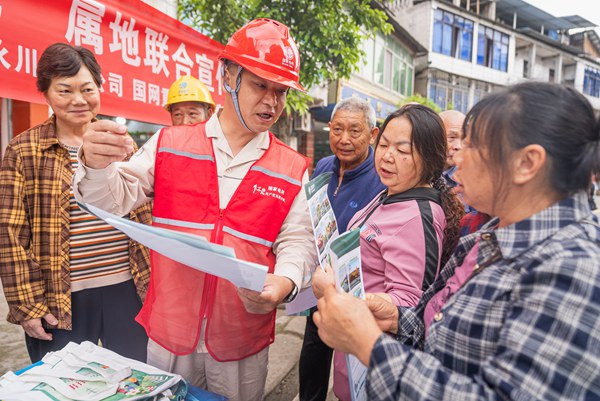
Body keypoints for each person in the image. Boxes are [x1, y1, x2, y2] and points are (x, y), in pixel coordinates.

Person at [73, 19, 315, 401]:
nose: (272, 102)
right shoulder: (170, 142)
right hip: (171, 329)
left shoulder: (291, 167)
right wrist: (96, 164)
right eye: (260, 85)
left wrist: (283, 283)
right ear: (228, 75)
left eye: (281, 91)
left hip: (241, 335)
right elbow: (111, 199)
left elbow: (299, 240)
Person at [312, 82, 600, 400]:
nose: (457, 156)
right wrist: (398, 319)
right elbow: (447, 327)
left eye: (472, 145)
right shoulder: (492, 236)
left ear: (527, 163)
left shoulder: (573, 269)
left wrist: (369, 344)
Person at [0, 43, 152, 363]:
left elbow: (139, 210)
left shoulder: (120, 141)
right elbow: (10, 234)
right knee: (64, 384)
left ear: (99, 88)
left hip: (127, 289)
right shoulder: (23, 149)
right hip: (60, 299)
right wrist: (27, 305)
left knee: (131, 380)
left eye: (87, 88)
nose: (79, 100)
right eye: (65, 90)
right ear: (45, 92)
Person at [314, 104, 464, 401]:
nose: (387, 156)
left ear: (430, 156)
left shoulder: (418, 216)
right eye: (383, 144)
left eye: (403, 150)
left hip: (379, 371)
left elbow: (410, 305)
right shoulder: (391, 193)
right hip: (355, 356)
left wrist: (334, 290)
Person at [299, 97, 385, 401]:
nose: (344, 139)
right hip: (320, 287)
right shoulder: (323, 165)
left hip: (360, 291)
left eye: (354, 131)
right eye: (337, 129)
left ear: (373, 135)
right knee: (312, 361)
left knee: (351, 373)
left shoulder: (382, 176)